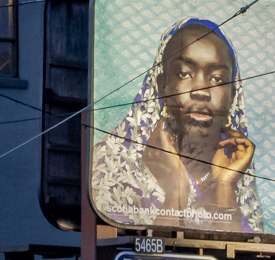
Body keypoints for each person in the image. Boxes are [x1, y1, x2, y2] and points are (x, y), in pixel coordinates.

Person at [90, 19, 261, 232]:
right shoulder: (113, 164)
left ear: (232, 97)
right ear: (162, 85)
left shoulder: (235, 175)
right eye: (184, 74)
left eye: (217, 79)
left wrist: (224, 186)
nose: (201, 91)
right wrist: (176, 192)